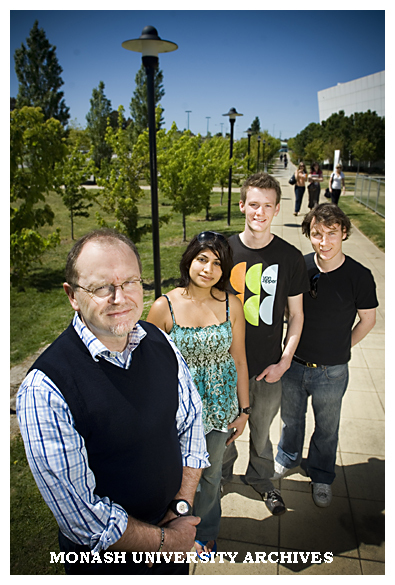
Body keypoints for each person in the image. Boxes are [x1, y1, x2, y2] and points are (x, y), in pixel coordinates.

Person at [16, 228, 209, 575]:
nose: (120, 298)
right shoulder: (45, 389)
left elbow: (192, 421)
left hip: (171, 531)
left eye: (130, 283)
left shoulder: (159, 341)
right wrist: (169, 542)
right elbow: (82, 519)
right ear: (72, 295)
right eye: (102, 287)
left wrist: (181, 505)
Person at [147, 231, 249, 557]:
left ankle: (204, 530)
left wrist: (244, 410)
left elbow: (240, 359)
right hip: (175, 411)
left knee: (209, 475)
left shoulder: (232, 305)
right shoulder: (164, 307)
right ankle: (167, 528)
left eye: (217, 263)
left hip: (219, 409)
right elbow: (148, 368)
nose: (208, 268)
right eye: (202, 259)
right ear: (189, 260)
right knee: (170, 474)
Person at [274, 204, 378, 507]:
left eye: (331, 234)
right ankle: (287, 457)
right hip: (293, 365)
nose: (324, 241)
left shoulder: (359, 275)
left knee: (327, 428)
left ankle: (321, 474)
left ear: (343, 233)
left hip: (332, 372)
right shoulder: (300, 267)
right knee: (291, 421)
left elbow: (368, 320)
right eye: (317, 234)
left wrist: (342, 347)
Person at [222, 172, 309, 516]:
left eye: (267, 206)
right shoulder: (223, 251)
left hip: (268, 368)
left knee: (261, 432)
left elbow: (297, 316)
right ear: (242, 205)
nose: (259, 212)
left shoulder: (289, 257)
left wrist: (284, 361)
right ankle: (220, 478)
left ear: (276, 210)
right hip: (226, 368)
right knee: (225, 431)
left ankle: (261, 480)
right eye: (253, 204)